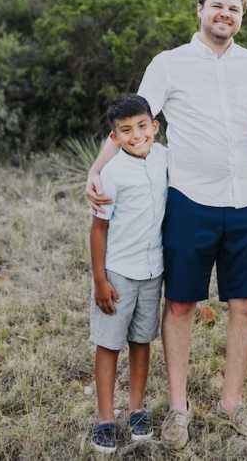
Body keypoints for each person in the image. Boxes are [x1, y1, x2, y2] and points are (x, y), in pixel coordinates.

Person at [85, 0, 247, 450]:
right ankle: (177, 408)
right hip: (190, 200)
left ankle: (232, 402)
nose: (225, 13)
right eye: (217, 5)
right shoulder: (169, 64)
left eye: (234, 7)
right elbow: (134, 121)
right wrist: (96, 169)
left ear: (242, 15)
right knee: (181, 304)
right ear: (200, 9)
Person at [88, 95, 167, 454]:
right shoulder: (111, 174)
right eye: (126, 130)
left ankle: (136, 408)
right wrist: (100, 280)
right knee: (109, 343)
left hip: (154, 270)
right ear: (115, 136)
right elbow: (98, 230)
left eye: (142, 126)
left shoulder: (165, 158)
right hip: (118, 272)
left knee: (141, 340)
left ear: (155, 126)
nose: (136, 135)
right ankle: (105, 417)